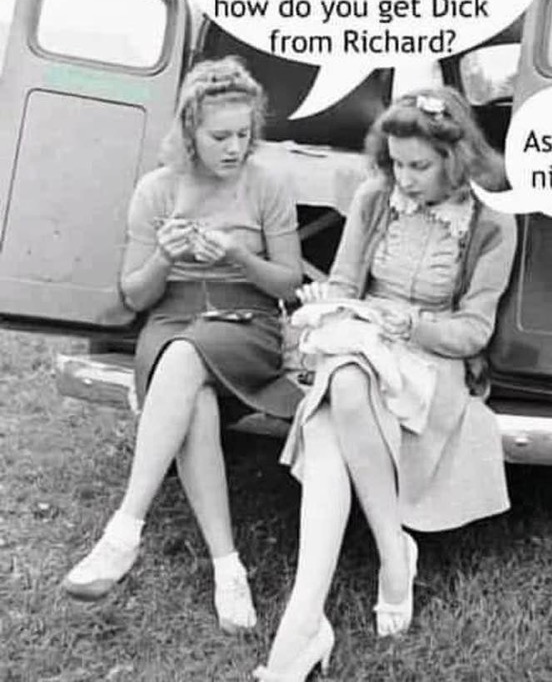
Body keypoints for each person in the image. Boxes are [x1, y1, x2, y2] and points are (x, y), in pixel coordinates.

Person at [253, 87, 517, 680]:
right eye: (396, 163)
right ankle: (361, 577)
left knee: (336, 398)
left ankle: (321, 611)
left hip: (431, 359)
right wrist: (327, 297)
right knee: (347, 376)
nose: (404, 178)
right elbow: (347, 285)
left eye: (419, 166)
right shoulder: (376, 197)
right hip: (363, 339)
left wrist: (413, 325)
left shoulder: (490, 221)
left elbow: (474, 331)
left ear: (455, 159)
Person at [62, 56, 304, 632]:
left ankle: (124, 530)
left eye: (244, 134)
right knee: (191, 393)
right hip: (172, 318)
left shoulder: (266, 183)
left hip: (246, 323)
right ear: (190, 131)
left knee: (185, 357)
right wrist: (165, 258)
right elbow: (136, 294)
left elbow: (289, 284)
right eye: (220, 136)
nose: (234, 147)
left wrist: (239, 255)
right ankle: (228, 568)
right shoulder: (158, 189)